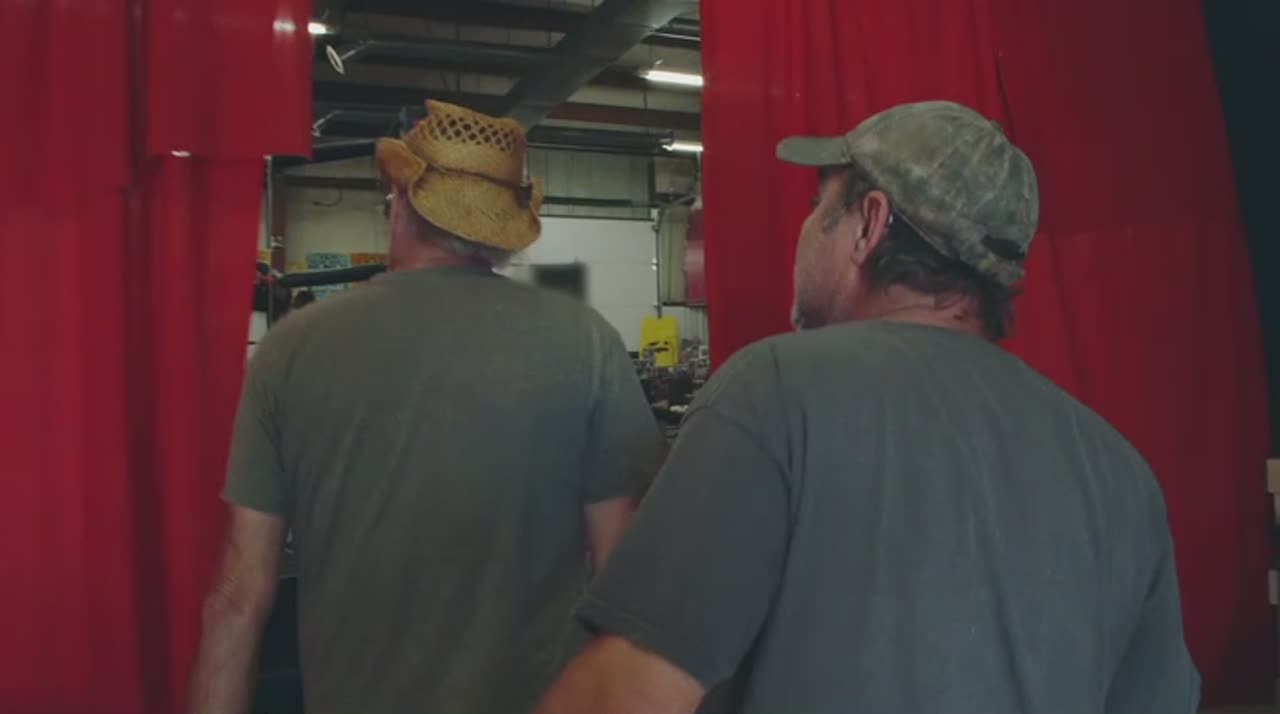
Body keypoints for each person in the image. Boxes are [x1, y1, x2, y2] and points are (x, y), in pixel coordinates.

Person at [535, 101, 1199, 714]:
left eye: (818, 204)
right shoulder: (1118, 470)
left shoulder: (776, 393)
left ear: (869, 225)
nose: (804, 229)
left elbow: (621, 699)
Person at [187, 100, 664, 714]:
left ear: (399, 197)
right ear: (504, 224)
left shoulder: (290, 348)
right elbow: (622, 580)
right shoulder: (586, 342)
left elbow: (238, 594)